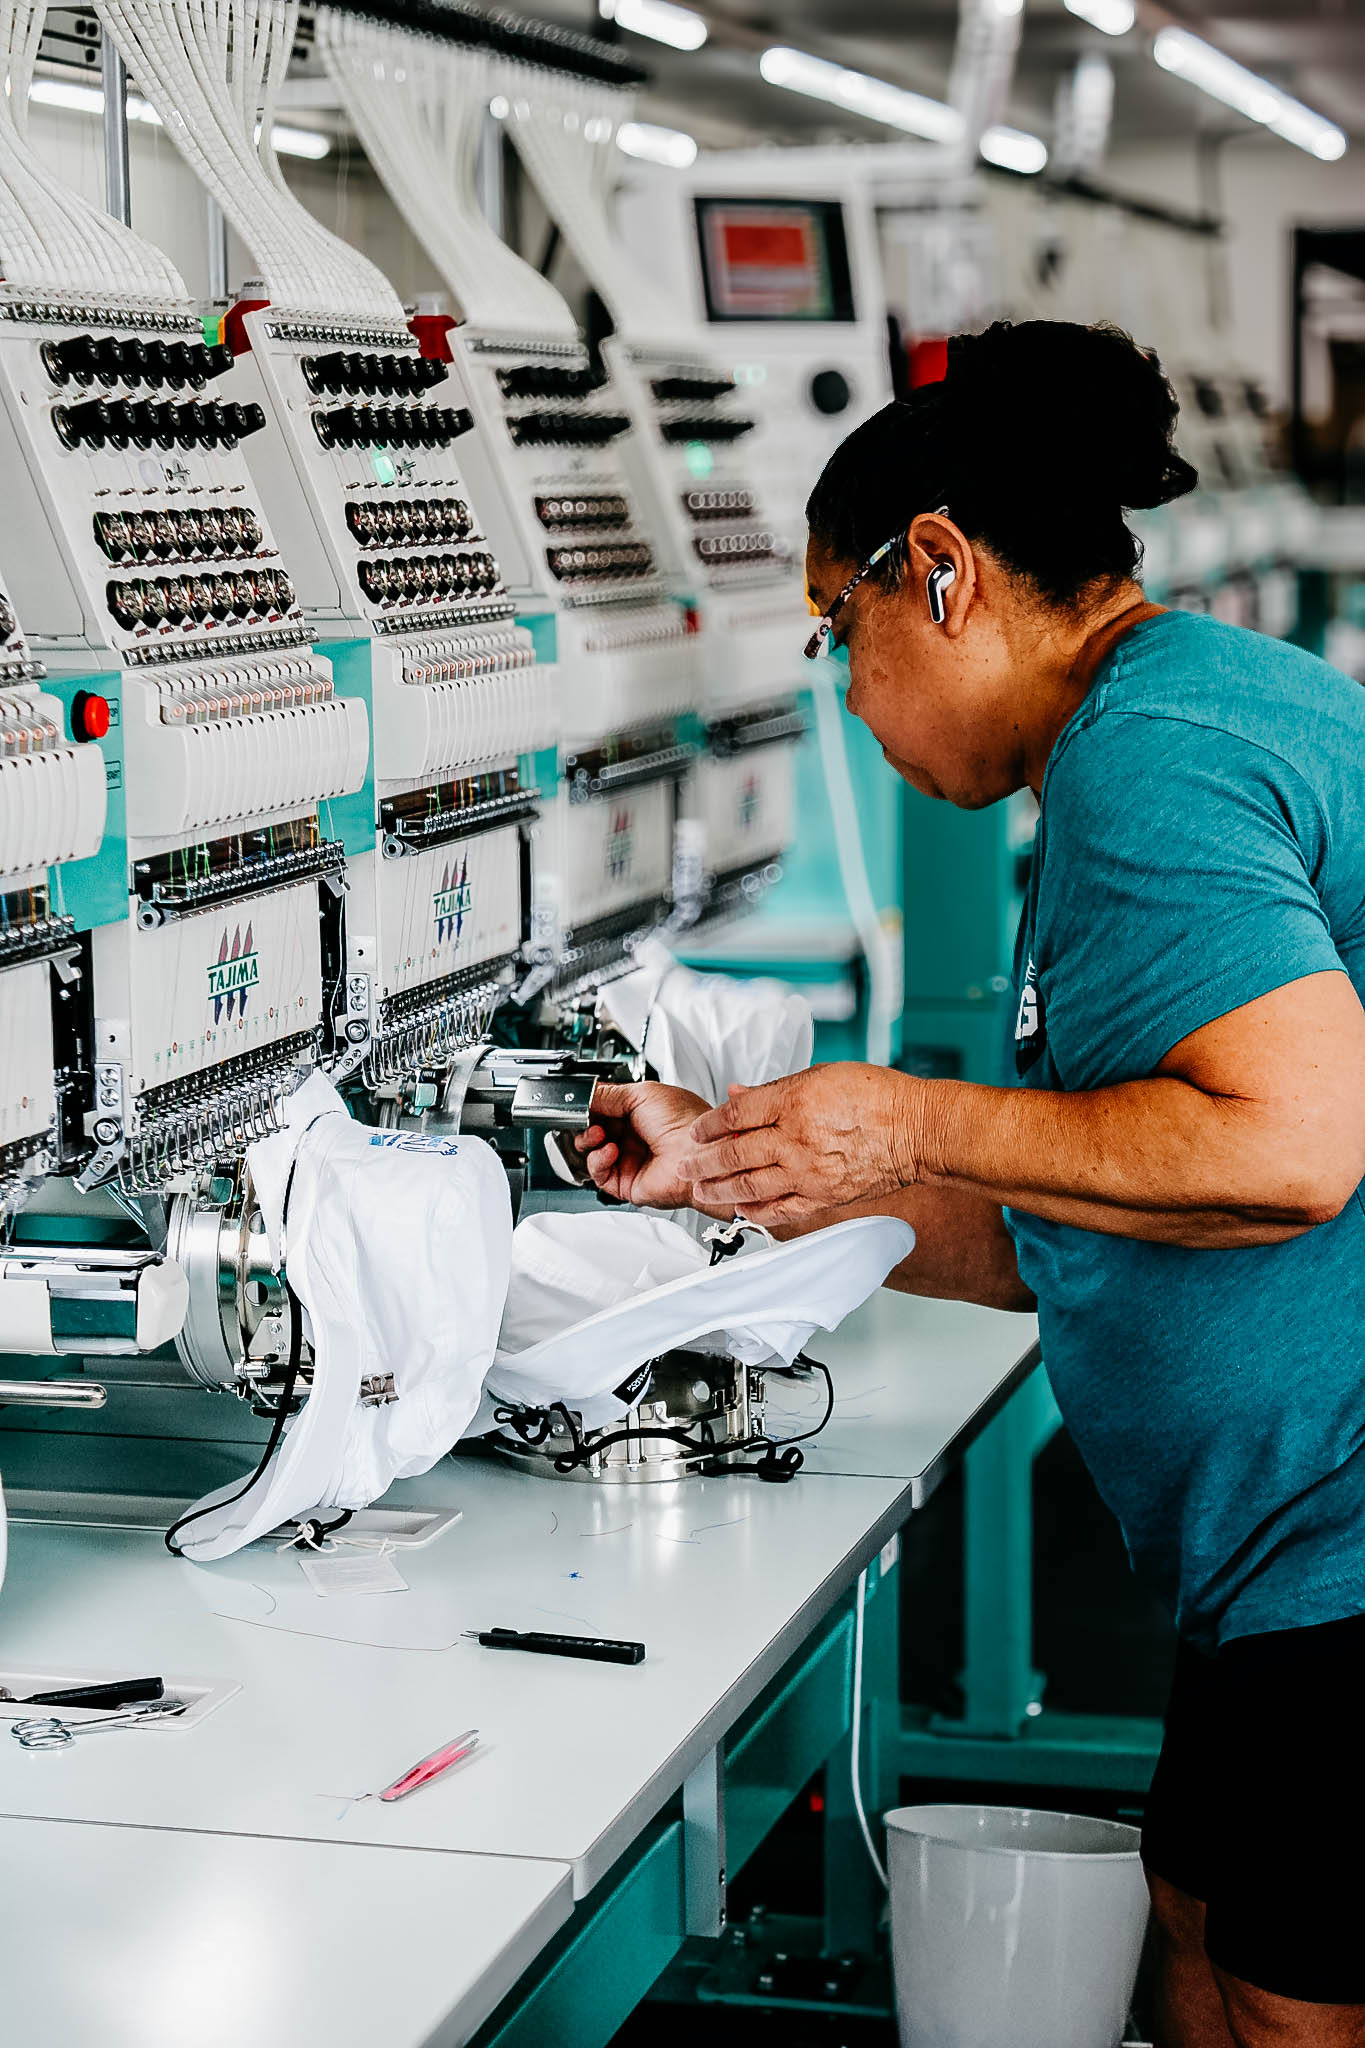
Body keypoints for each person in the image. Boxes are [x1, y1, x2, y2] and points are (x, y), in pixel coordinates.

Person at [574, 321, 1365, 2048]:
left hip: (1345, 1545)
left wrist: (911, 1116)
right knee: (1200, 1933)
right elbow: (1107, 1210)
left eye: (833, 633)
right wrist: (737, 1170)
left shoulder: (1148, 760)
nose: (846, 700)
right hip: (1283, 1549)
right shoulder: (1171, 715)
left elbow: (1288, 1150)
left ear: (935, 572)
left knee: (1291, 2002)